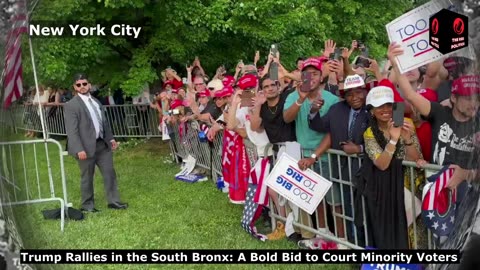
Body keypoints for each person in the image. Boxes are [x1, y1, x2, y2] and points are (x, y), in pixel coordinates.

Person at [300, 74, 370, 246]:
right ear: (344, 96)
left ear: (365, 91)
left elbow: (382, 140)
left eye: (358, 92)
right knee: (348, 209)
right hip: (342, 170)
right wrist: (314, 111)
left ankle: (366, 246)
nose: (355, 97)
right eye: (349, 94)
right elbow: (318, 126)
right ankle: (352, 244)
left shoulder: (374, 110)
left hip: (367, 172)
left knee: (365, 212)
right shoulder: (337, 109)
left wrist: (359, 149)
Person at [355, 84, 422, 249]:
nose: (385, 109)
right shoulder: (370, 133)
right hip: (382, 189)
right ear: (371, 111)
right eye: (379, 106)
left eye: (389, 105)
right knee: (386, 230)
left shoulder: (406, 123)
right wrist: (393, 140)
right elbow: (382, 164)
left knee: (410, 230)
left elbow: (415, 158)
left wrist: (406, 139)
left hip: (406, 184)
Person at [64, 74, 127, 212]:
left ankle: (113, 201)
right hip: (84, 148)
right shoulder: (71, 105)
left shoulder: (96, 101)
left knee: (110, 172)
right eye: (78, 85)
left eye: (84, 84)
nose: (82, 87)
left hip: (102, 145)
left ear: (89, 85)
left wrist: (110, 138)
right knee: (87, 176)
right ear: (75, 87)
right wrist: (78, 149)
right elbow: (72, 131)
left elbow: (104, 122)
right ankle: (87, 205)